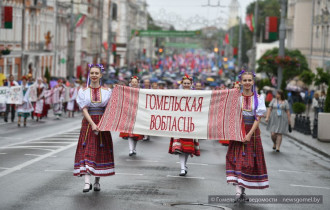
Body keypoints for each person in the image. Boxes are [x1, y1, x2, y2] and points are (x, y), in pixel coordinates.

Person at [226, 71, 268, 203]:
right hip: (238, 130)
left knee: (248, 163)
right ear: (241, 82)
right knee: (237, 160)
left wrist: (249, 135)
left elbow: (257, 118)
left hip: (252, 132)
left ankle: (242, 190)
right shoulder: (236, 97)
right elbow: (230, 114)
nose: (247, 83)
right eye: (245, 80)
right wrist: (236, 131)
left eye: (250, 80)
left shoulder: (259, 98)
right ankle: (238, 192)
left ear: (253, 82)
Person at [74, 64, 115, 192]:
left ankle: (97, 181)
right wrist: (92, 124)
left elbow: (110, 109)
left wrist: (104, 123)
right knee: (87, 151)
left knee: (99, 152)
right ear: (89, 75)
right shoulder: (83, 91)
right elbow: (84, 109)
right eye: (92, 73)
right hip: (88, 123)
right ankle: (87, 182)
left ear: (101, 75)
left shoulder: (107, 92)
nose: (94, 75)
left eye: (97, 73)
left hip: (102, 123)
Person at [168, 75, 200, 176]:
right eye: (184, 83)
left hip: (190, 123)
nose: (186, 85)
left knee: (187, 148)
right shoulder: (177, 94)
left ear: (191, 84)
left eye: (188, 83)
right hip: (180, 123)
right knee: (180, 148)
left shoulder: (196, 94)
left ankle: (184, 165)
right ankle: (182, 168)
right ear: (182, 84)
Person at [119, 76, 144, 156]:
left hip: (138, 114)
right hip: (129, 115)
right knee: (130, 134)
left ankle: (134, 148)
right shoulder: (127, 91)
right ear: (130, 83)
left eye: (135, 82)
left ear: (138, 83)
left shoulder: (141, 92)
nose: (134, 83)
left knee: (136, 135)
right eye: (132, 82)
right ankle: (131, 150)